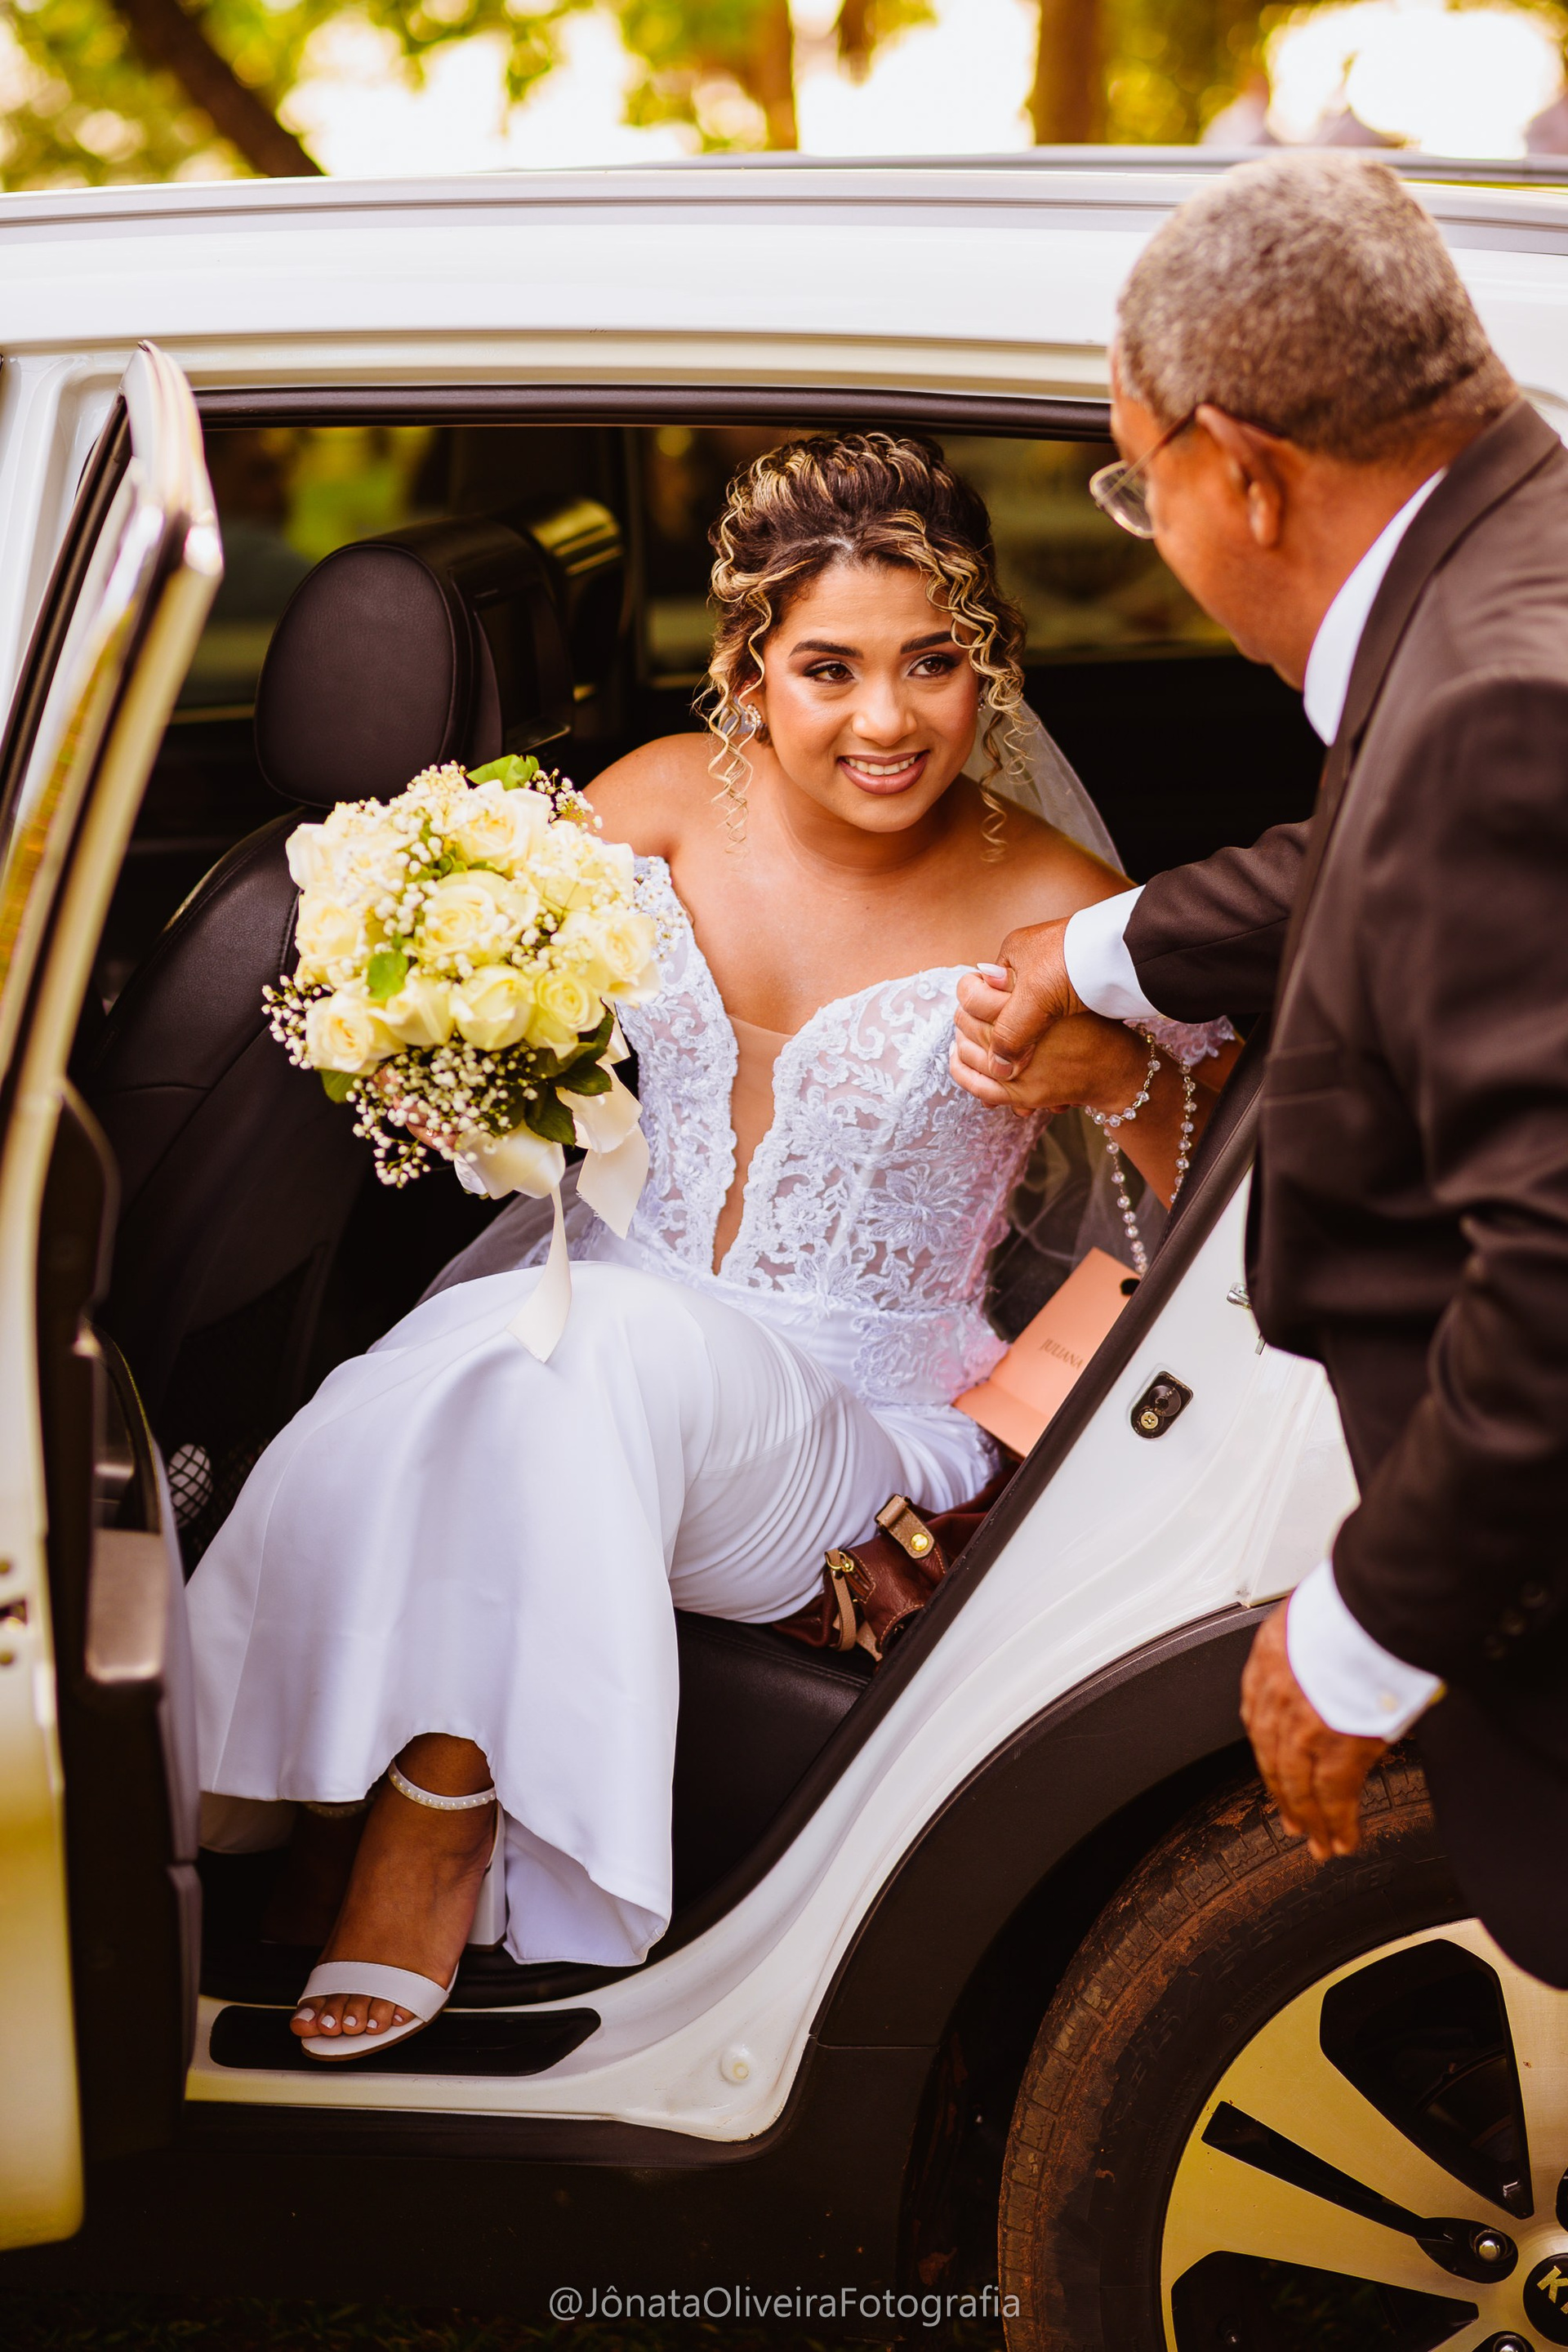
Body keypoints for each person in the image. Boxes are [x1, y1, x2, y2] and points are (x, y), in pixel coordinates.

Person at [189, 431, 1223, 2060]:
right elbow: (499, 1004)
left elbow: (1230, 1195)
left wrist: (1119, 1077)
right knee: (427, 1376)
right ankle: (263, 1809)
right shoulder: (657, 806)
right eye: (830, 668)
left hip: (858, 1429)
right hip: (597, 1331)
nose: (888, 720)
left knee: (581, 1348)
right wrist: (452, 1025)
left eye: (934, 662)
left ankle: (426, 1826)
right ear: (747, 671)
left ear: (990, 665)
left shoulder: (1057, 901)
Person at [952, 152, 1568, 1987]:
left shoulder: (1491, 707)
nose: (1152, 525)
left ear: (1243, 468)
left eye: (1135, 482)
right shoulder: (1518, 581)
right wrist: (1100, 953)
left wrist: (1367, 1626)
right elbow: (1394, 857)